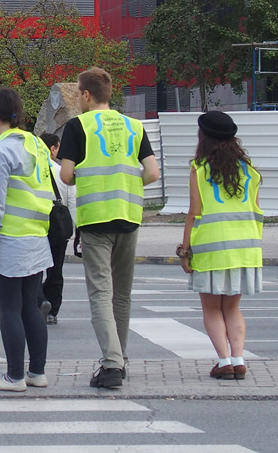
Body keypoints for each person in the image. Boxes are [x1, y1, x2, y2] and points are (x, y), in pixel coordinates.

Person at [59, 67, 159, 389]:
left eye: (78, 92)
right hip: (129, 216)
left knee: (100, 292)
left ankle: (111, 364)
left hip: (96, 218)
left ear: (86, 95)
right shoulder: (133, 126)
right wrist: (126, 182)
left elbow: (66, 175)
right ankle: (121, 357)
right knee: (122, 293)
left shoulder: (78, 126)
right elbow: (153, 173)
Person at [176, 111, 263, 380]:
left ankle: (223, 361)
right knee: (233, 308)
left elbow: (194, 212)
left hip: (211, 248)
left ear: (204, 136)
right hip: (245, 247)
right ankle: (239, 359)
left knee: (212, 308)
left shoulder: (200, 170)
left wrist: (185, 250)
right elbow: (257, 209)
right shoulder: (250, 171)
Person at [0, 88, 53, 392]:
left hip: (9, 238)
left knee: (9, 307)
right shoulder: (35, 144)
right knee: (31, 307)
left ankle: (14, 376)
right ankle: (37, 372)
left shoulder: (1, 150)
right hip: (36, 235)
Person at [36, 132, 76, 325]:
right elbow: (72, 201)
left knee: (34, 268)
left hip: (36, 222)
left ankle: (39, 300)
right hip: (58, 225)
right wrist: (75, 229)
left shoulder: (32, 168)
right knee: (55, 269)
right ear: (52, 148)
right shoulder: (61, 171)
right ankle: (52, 309)